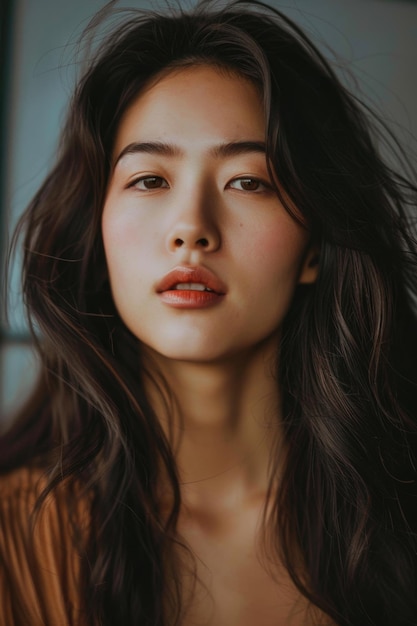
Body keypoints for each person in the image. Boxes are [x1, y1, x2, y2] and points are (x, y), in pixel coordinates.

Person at [1, 0, 417, 624]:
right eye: (149, 179)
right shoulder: (17, 539)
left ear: (314, 248)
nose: (191, 228)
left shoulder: (398, 514)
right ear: (98, 231)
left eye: (248, 181)